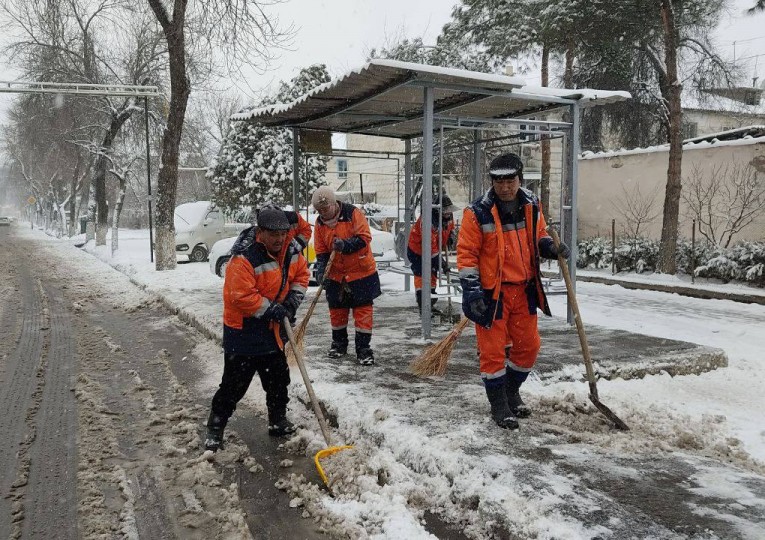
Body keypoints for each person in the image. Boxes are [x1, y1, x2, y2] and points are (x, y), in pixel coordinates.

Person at [456, 153, 570, 430]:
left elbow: (539, 235)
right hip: (492, 295)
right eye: (499, 182)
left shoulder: (531, 205)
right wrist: (472, 292)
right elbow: (467, 255)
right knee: (493, 352)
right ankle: (498, 405)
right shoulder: (476, 213)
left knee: (528, 347)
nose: (505, 187)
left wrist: (550, 248)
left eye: (510, 181)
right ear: (492, 182)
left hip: (525, 290)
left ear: (519, 179)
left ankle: (510, 391)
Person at [204, 206, 310, 451]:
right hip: (243, 329)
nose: (280, 239)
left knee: (277, 379)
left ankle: (278, 420)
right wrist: (272, 309)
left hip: (272, 329)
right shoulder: (243, 257)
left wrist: (292, 302)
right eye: (274, 234)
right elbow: (240, 295)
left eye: (283, 233)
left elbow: (302, 276)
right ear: (260, 232)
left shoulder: (292, 250)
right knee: (234, 384)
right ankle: (215, 428)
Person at [311, 186, 381, 366]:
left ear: (334, 204)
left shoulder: (353, 214)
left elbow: (365, 238)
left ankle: (364, 349)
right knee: (337, 311)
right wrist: (321, 269)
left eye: (325, 209)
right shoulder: (319, 224)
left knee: (363, 312)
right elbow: (320, 250)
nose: (323, 213)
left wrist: (346, 245)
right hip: (336, 276)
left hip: (361, 273)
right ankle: (339, 344)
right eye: (319, 211)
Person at [406, 194, 458, 313]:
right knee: (422, 274)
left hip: (434, 249)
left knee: (433, 273)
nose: (448, 213)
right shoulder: (428, 221)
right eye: (445, 211)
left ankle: (431, 300)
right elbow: (430, 247)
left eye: (449, 210)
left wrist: (451, 235)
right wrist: (442, 263)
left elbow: (452, 227)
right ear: (437, 211)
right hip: (417, 251)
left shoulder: (448, 216)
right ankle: (423, 303)